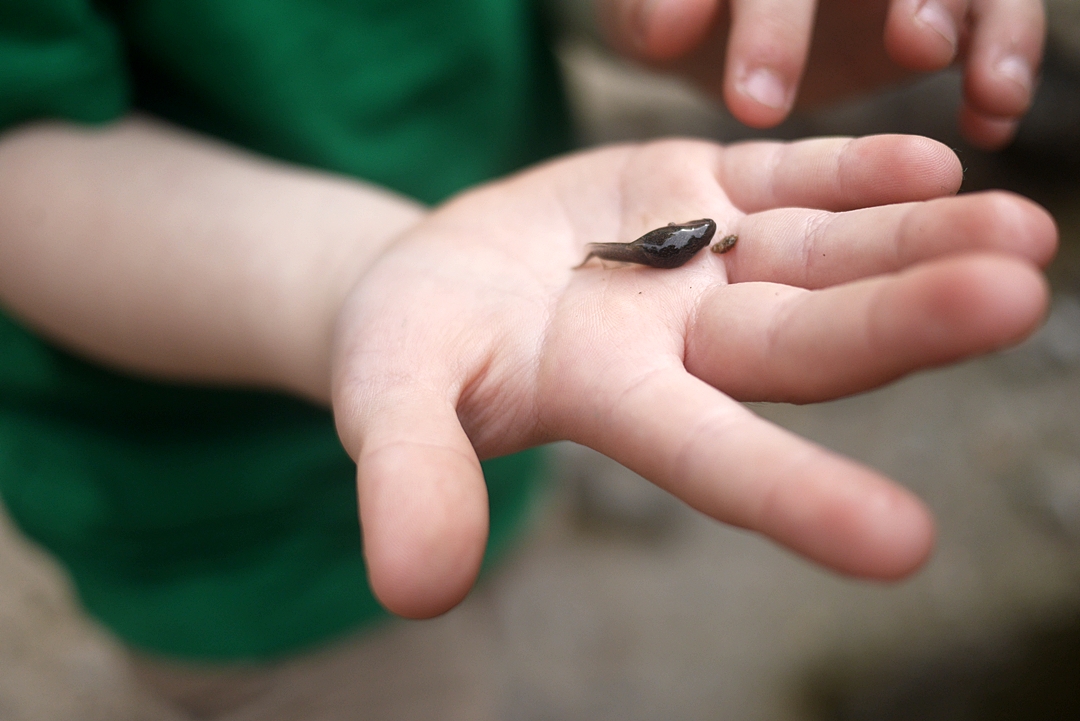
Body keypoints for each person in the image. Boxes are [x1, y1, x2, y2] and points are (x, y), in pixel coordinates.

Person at [0, 0, 1056, 715]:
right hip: (233, 537)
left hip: (514, 392)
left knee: (480, 581)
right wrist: (356, 275)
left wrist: (721, 28)